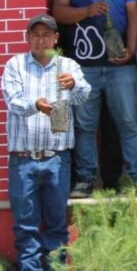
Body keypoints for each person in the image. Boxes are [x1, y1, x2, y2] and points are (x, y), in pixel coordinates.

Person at [51, 0, 137, 198]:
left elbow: (135, 17)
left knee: (129, 123)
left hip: (121, 66)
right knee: (84, 125)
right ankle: (85, 179)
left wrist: (131, 50)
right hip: (83, 66)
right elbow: (58, 13)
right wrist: (87, 11)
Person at [1, 14, 91, 271]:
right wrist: (36, 105)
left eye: (46, 35)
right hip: (23, 160)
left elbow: (85, 96)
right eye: (35, 35)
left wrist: (73, 85)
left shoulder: (68, 65)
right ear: (28, 38)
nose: (41, 40)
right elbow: (13, 101)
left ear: (55, 38)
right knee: (26, 228)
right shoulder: (15, 65)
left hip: (57, 159)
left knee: (56, 226)